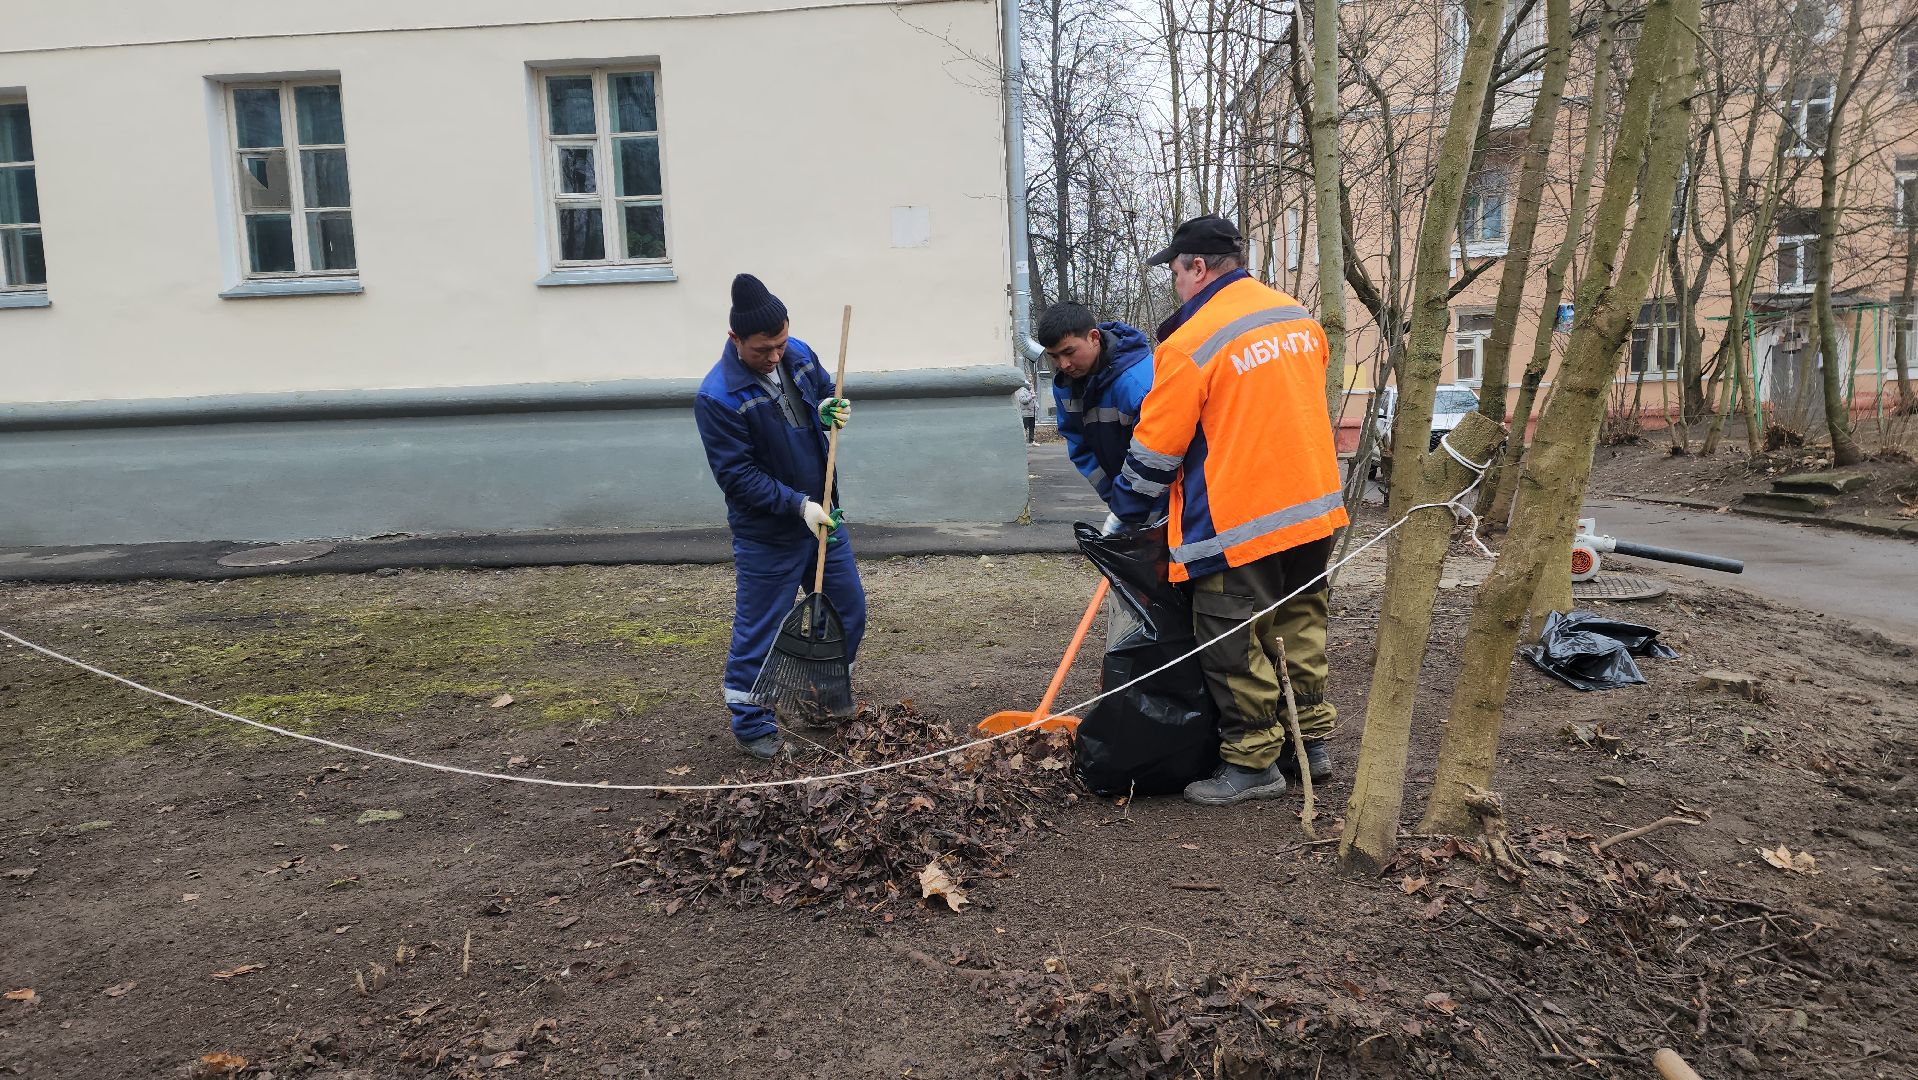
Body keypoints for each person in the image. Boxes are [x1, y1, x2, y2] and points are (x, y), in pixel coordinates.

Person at [1106, 215, 1348, 806]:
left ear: (1197, 267)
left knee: (1231, 639)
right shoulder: (1295, 317)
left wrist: (1126, 511)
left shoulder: (1192, 341)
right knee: (1302, 627)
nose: (1175, 285)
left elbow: (1157, 446)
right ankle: (1308, 745)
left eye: (1176, 272)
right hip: (1314, 509)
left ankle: (1252, 764)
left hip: (1239, 519)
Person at [693, 274, 866, 760]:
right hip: (769, 532)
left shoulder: (801, 354)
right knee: (761, 628)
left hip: (825, 520)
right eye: (762, 349)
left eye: (780, 343)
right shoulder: (718, 397)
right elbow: (737, 476)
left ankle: (818, 697)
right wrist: (798, 506)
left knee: (846, 611)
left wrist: (831, 406)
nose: (774, 356)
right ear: (735, 340)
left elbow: (822, 394)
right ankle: (751, 722)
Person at [1034, 302, 1165, 526]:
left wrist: (1135, 513)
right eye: (1054, 356)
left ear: (1094, 337)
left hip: (1168, 500)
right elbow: (1080, 447)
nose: (1063, 364)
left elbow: (1159, 455)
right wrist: (1116, 499)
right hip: (1129, 501)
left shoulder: (1139, 383)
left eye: (1069, 352)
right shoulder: (1064, 386)